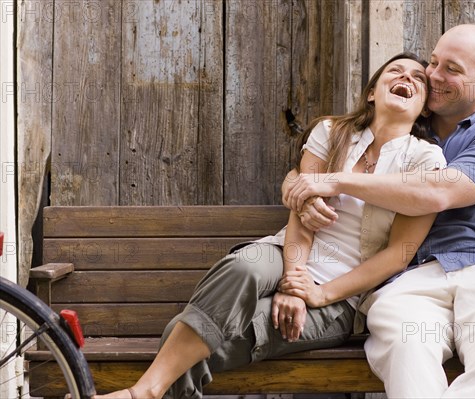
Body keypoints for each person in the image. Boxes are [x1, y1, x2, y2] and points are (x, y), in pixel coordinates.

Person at [95, 53, 446, 399]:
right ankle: (143, 394)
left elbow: (398, 255)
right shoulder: (333, 132)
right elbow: (301, 210)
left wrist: (316, 293)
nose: (406, 79)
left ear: (426, 107)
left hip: (339, 298)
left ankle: (144, 392)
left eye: (417, 78)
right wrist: (294, 282)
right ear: (372, 92)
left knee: (189, 333)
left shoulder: (425, 161)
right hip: (286, 254)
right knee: (244, 267)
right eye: (395, 71)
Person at [283, 24, 475, 398]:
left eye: (451, 69)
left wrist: (333, 182)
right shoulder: (400, 120)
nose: (433, 75)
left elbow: (434, 192)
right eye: (434, 62)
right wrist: (299, 187)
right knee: (403, 341)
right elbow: (318, 162)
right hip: (410, 275)